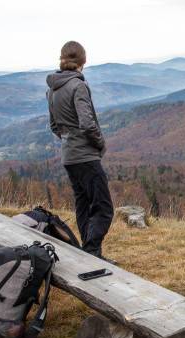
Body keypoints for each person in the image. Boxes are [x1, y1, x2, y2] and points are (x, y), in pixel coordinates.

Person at [46, 41, 114, 259]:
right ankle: (92, 251)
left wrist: (69, 140)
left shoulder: (52, 89)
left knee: (83, 204)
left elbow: (54, 126)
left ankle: (89, 253)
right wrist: (100, 144)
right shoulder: (78, 86)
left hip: (69, 156)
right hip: (85, 155)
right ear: (83, 61)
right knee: (104, 207)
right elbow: (87, 123)